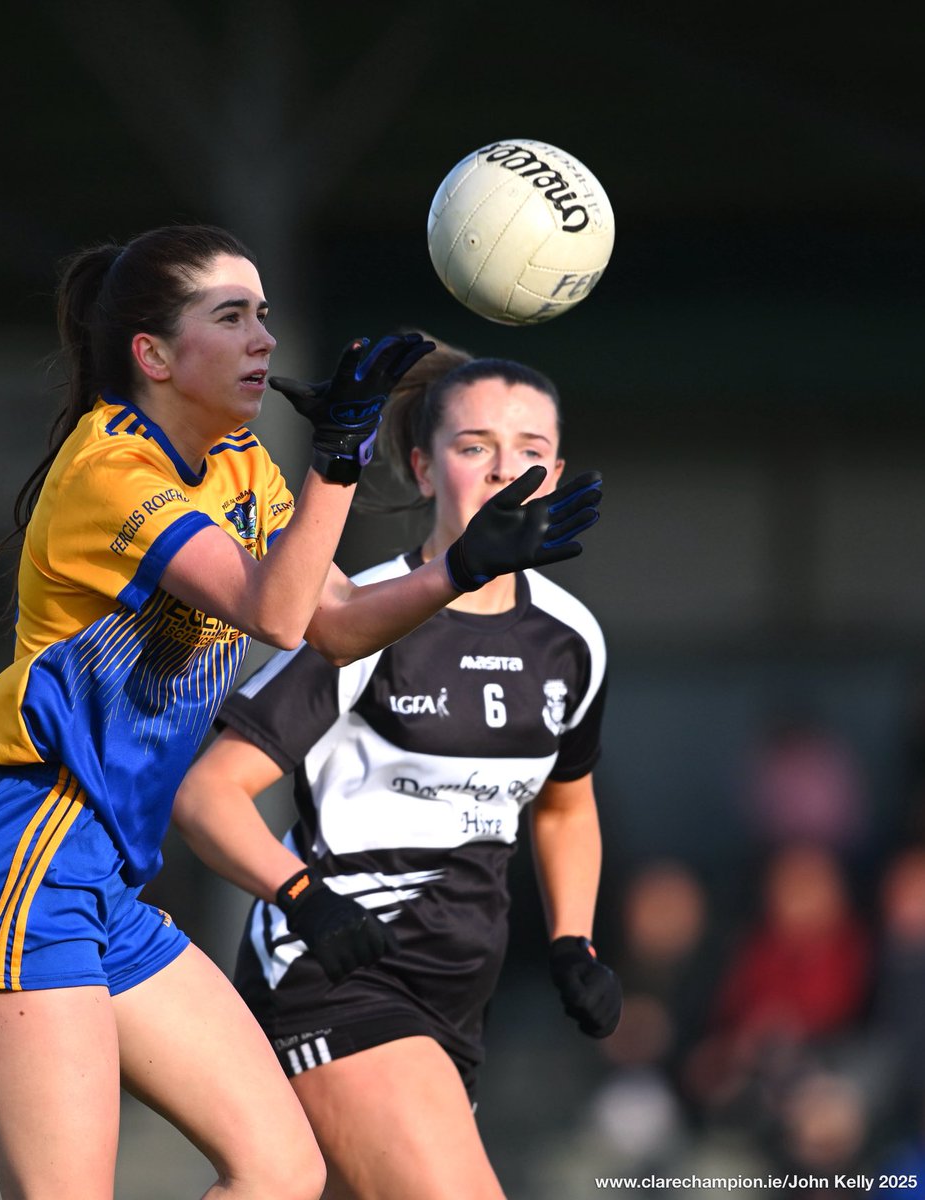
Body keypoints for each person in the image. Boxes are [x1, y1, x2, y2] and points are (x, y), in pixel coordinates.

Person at [0, 226, 603, 1200]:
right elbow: (275, 613)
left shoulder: (240, 464)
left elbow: (332, 625)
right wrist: (339, 459)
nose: (263, 339)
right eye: (230, 317)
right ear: (153, 356)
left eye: (265, 315)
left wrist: (463, 567)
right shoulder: (109, 472)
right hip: (29, 859)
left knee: (280, 1169)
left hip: (109, 881)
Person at [174, 336, 621, 1200]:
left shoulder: (573, 639)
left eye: (529, 452)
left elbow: (568, 806)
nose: (503, 473)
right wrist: (306, 900)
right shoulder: (361, 620)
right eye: (474, 448)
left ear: (558, 473)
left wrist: (574, 941)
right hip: (340, 980)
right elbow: (208, 795)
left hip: (457, 1004)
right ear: (421, 469)